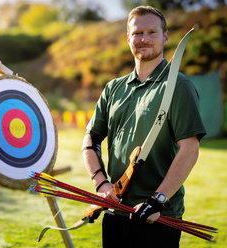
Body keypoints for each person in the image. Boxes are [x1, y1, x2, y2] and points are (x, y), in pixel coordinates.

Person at [82, 6, 206, 248]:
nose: (144, 39)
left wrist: (157, 199)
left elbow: (189, 149)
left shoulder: (179, 86)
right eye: (137, 33)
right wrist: (101, 183)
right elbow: (91, 139)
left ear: (165, 36)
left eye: (152, 32)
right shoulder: (113, 88)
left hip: (157, 216)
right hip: (115, 211)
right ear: (128, 38)